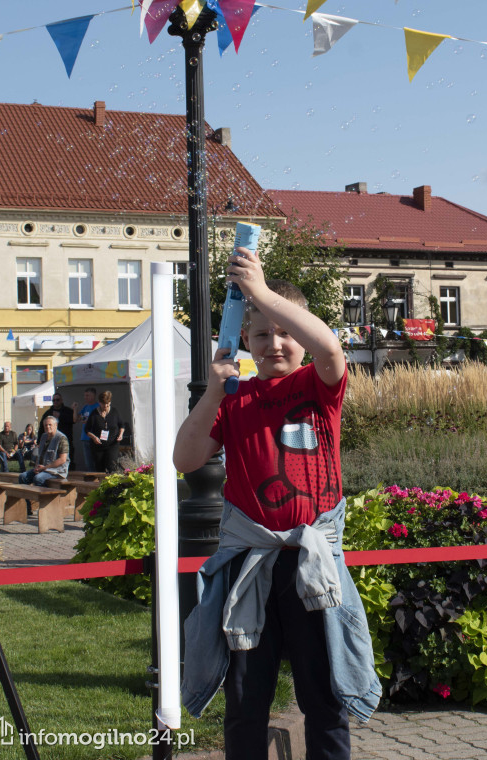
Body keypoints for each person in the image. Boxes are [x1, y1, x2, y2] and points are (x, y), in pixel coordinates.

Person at [173, 247, 380, 760]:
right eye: (261, 333)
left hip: (312, 565)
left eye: (285, 332)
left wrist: (260, 294)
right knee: (246, 699)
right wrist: (213, 394)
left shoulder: (317, 384)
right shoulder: (235, 400)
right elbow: (185, 459)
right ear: (245, 340)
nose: (275, 343)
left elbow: (330, 351)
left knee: (324, 697)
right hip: (252, 566)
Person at [18, 416, 70, 514]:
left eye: (50, 425)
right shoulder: (43, 437)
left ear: (56, 425)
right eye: (46, 425)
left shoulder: (62, 438)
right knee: (22, 477)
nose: (48, 427)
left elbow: (62, 459)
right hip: (42, 468)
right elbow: (40, 455)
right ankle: (28, 506)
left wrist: (45, 468)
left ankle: (46, 506)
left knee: (38, 478)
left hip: (57, 471)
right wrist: (37, 467)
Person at [84, 391, 124, 473]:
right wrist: (94, 437)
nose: (105, 406)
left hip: (112, 444)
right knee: (100, 467)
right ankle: (101, 484)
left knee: (111, 465)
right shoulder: (94, 414)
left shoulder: (114, 412)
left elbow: (122, 425)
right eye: (103, 404)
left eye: (108, 404)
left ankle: (112, 484)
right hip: (98, 445)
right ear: (99, 403)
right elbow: (87, 430)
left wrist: (121, 434)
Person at [39, 392, 78, 466]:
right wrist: (39, 441)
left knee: (67, 461)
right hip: (51, 442)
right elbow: (41, 428)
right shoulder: (48, 413)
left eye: (57, 400)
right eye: (54, 400)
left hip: (66, 440)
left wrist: (60, 416)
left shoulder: (67, 410)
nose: (55, 402)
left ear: (61, 400)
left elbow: (73, 420)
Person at [76, 387, 98, 471]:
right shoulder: (85, 407)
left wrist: (88, 420)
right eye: (85, 395)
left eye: (88, 395)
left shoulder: (98, 407)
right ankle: (92, 480)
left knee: (95, 461)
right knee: (88, 462)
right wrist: (75, 409)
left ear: (93, 396)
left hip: (94, 437)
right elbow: (76, 419)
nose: (85, 397)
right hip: (85, 437)